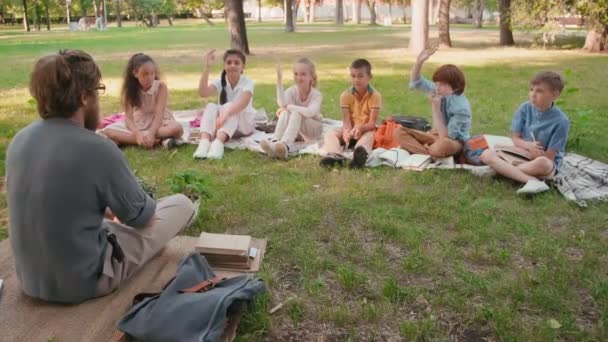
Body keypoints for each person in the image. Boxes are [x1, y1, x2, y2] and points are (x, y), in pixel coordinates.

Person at [5, 50, 197, 304]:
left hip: (29, 280)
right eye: (98, 90)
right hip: (85, 281)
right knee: (181, 205)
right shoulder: (97, 147)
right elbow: (145, 220)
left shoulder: (19, 140)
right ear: (84, 97)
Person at [473, 71, 570, 195]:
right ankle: (534, 181)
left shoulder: (561, 121)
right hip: (521, 154)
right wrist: (528, 146)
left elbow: (549, 158)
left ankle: (498, 170)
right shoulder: (525, 108)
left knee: (543, 164)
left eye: (539, 91)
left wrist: (537, 154)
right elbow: (515, 138)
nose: (533, 94)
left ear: (555, 95)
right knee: (486, 154)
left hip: (540, 160)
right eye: (531, 89)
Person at [395, 45, 472, 159]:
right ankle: (427, 150)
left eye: (443, 84)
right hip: (435, 135)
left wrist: (435, 108)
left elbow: (445, 137)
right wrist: (419, 62)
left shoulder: (461, 109)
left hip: (454, 142)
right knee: (399, 132)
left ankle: (422, 149)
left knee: (441, 146)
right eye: (436, 83)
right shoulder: (440, 90)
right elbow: (417, 81)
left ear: (455, 87)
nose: (437, 87)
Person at [101, 53, 183, 149]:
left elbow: (159, 114)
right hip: (139, 123)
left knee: (177, 128)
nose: (150, 77)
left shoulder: (161, 87)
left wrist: (152, 133)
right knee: (108, 131)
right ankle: (158, 140)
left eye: (152, 73)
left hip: (159, 123)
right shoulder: (130, 90)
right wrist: (137, 134)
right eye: (145, 74)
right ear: (135, 73)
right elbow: (129, 118)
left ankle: (139, 140)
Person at [193, 49, 256, 160]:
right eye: (229, 62)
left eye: (237, 63)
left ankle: (218, 143)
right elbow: (203, 93)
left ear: (243, 67)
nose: (232, 65)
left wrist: (225, 113)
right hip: (223, 125)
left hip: (243, 126)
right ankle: (204, 143)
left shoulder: (248, 82)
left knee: (229, 106)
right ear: (224, 66)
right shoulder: (220, 80)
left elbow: (242, 104)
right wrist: (207, 67)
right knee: (211, 106)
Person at [319, 58, 381, 169]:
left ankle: (359, 156)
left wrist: (360, 129)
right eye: (353, 76)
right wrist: (347, 132)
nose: (356, 79)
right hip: (350, 129)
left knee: (368, 138)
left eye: (360, 76)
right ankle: (335, 155)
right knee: (330, 134)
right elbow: (346, 121)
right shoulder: (345, 95)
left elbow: (372, 123)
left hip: (366, 130)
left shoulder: (375, 96)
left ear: (369, 77)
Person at [261, 57, 323, 160]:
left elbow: (309, 112)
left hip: (313, 129)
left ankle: (286, 145)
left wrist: (290, 107)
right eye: (296, 74)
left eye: (303, 74)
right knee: (285, 112)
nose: (299, 77)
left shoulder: (317, 95)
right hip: (298, 129)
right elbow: (281, 103)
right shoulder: (292, 91)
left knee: (295, 113)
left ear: (311, 77)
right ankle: (275, 141)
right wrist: (279, 81)